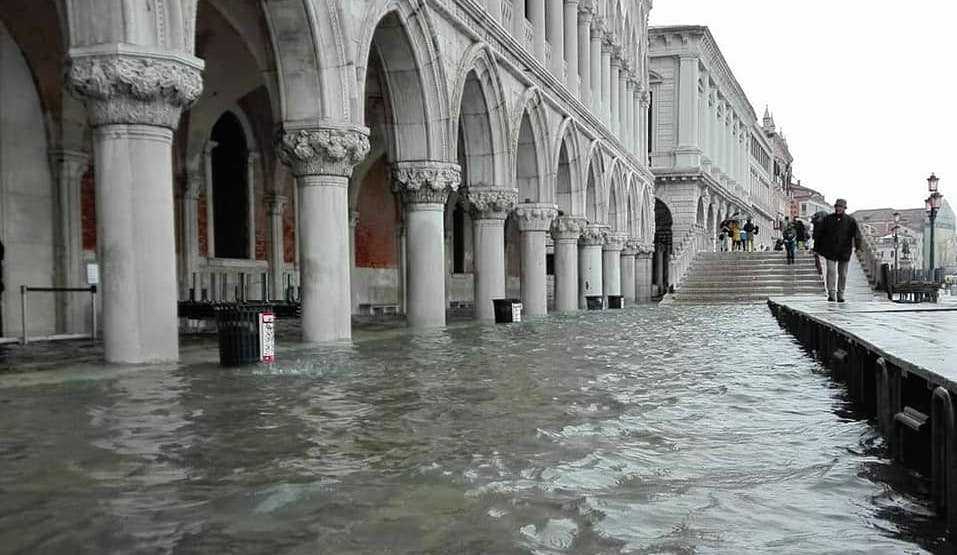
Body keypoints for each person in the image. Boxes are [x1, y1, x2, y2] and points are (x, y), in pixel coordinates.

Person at [813, 199, 862, 302]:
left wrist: (858, 248)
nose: (839, 208)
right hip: (830, 250)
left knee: (843, 273)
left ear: (844, 208)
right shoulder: (827, 219)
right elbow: (819, 234)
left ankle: (841, 294)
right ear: (835, 207)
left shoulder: (850, 221)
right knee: (831, 271)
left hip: (844, 250)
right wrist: (816, 248)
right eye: (837, 207)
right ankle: (831, 293)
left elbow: (857, 235)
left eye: (841, 207)